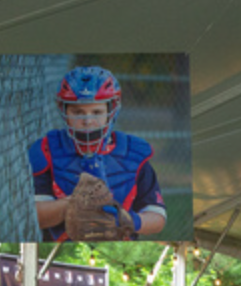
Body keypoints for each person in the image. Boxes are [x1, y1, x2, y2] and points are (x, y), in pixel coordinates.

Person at [30, 65, 167, 242]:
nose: (88, 121)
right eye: (78, 112)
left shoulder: (133, 153)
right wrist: (70, 206)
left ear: (111, 111)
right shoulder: (48, 150)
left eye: (96, 112)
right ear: (64, 111)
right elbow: (36, 215)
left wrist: (129, 221)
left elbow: (157, 216)